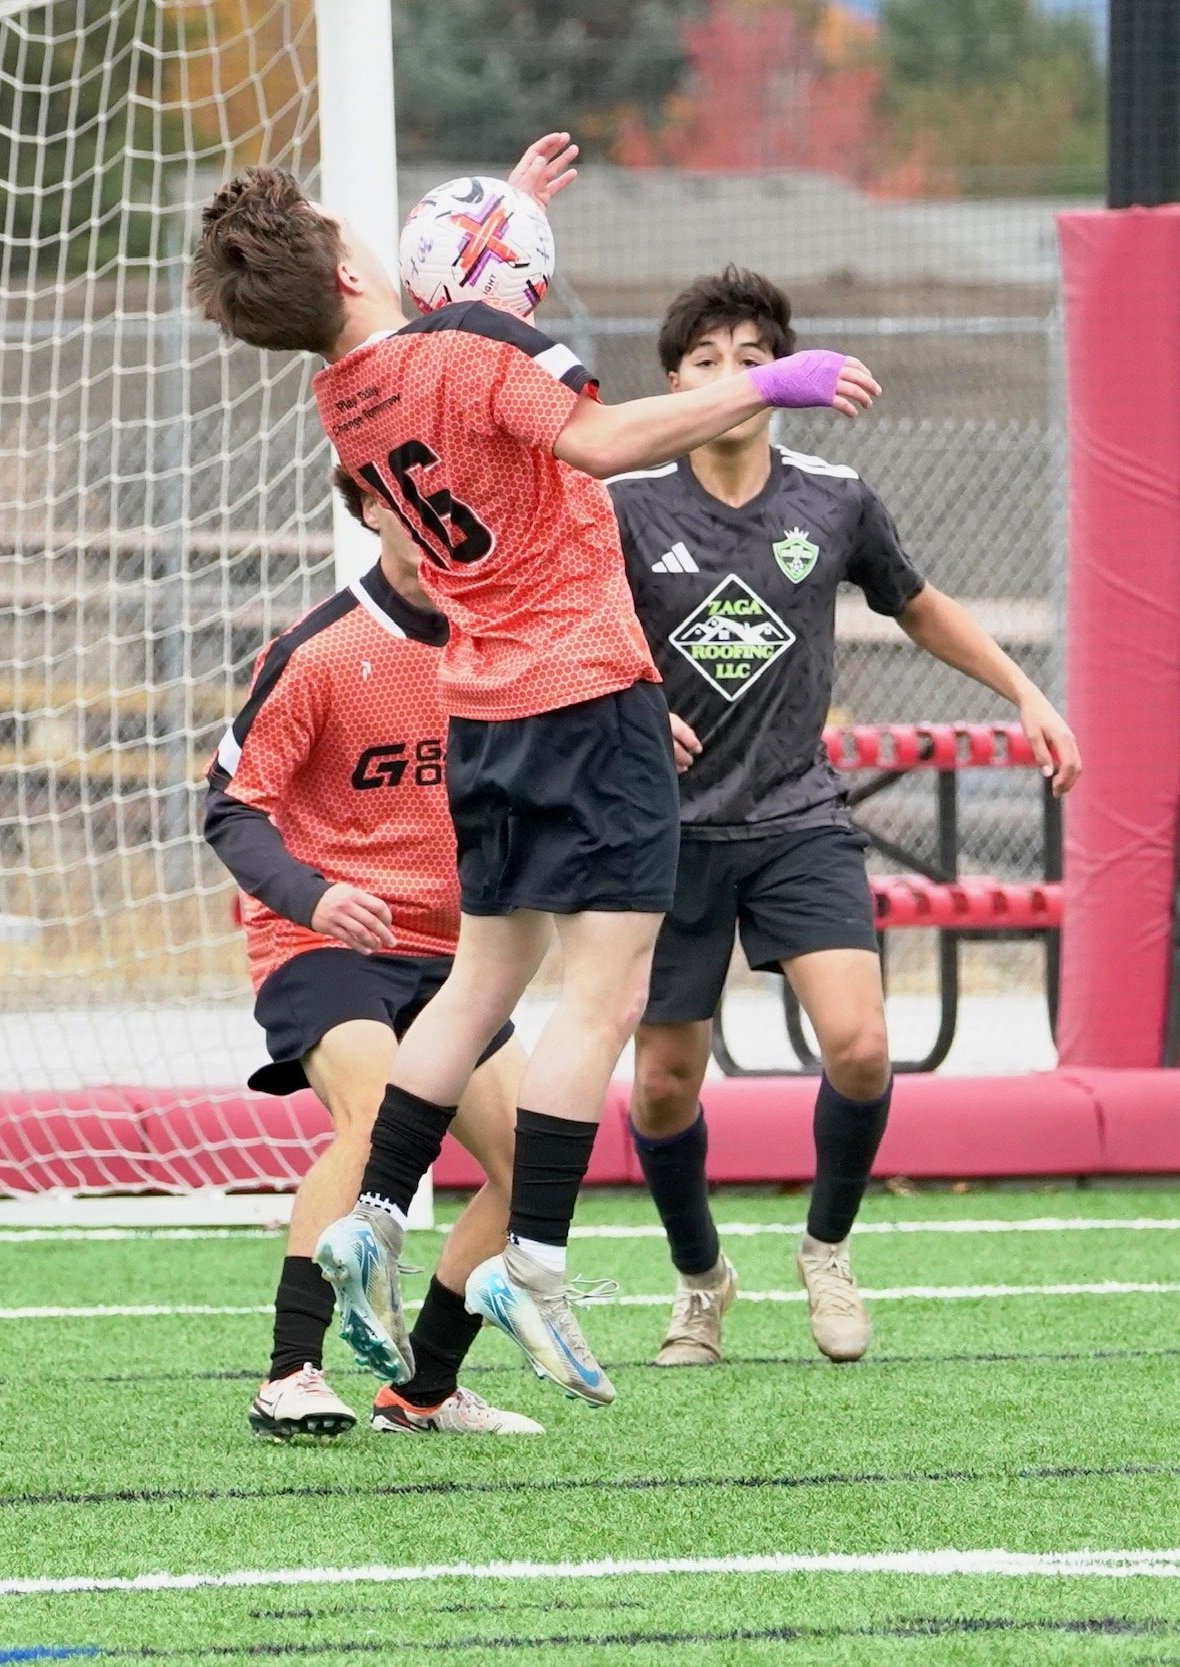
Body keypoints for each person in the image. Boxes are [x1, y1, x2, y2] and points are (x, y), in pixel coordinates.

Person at [190, 134, 880, 1408]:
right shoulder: (467, 350)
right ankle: (538, 1259)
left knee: (481, 978)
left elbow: (451, 346)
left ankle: (372, 1218)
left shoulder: (341, 394)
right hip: (587, 690)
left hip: (482, 708)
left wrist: (503, 219)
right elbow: (606, 441)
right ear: (352, 260)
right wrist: (768, 380)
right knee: (601, 999)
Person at [611, 267, 1080, 1366]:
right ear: (672, 383)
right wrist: (630, 708)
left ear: (784, 374)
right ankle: (697, 1280)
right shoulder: (624, 505)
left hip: (796, 819)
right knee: (663, 1081)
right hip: (664, 833)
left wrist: (1024, 690)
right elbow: (572, 636)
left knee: (863, 1048)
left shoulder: (832, 496)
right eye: (703, 361)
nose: (730, 377)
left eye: (750, 357)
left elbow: (916, 606)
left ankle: (824, 1249)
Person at [207, 468, 541, 1441]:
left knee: (533, 1159)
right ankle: (289, 1372)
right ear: (370, 510)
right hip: (321, 937)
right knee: (375, 1110)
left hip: (454, 952)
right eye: (408, 497)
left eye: (453, 497)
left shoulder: (505, 647)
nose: (436, 518)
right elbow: (230, 809)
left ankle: (422, 1388)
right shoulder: (317, 650)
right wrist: (316, 893)